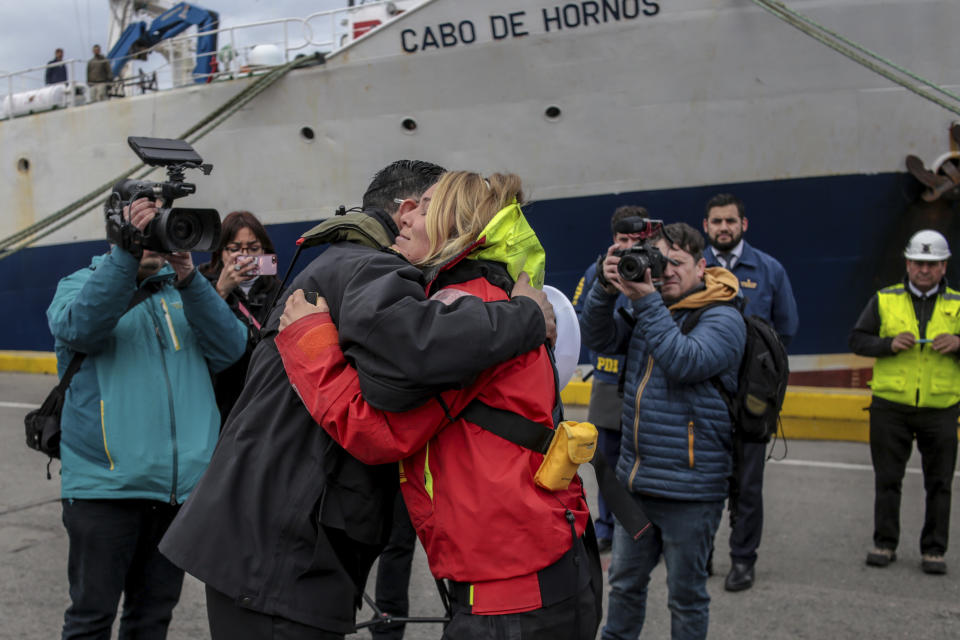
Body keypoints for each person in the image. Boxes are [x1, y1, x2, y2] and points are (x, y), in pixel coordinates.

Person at [159, 160, 555, 639]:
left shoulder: (343, 264)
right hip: (286, 548)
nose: (418, 218)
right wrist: (527, 318)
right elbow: (407, 366)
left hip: (265, 537)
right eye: (426, 205)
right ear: (404, 210)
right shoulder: (372, 266)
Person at [276, 171, 598, 640]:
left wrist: (311, 343)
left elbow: (378, 430)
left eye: (425, 206)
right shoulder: (494, 301)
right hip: (536, 578)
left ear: (457, 225)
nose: (406, 213)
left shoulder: (461, 312)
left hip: (510, 603)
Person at [46, 197, 247, 639]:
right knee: (90, 619)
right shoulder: (78, 284)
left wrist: (191, 279)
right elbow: (82, 327)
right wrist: (126, 258)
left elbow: (231, 349)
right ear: (120, 231)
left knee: (152, 620)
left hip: (176, 495)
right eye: (147, 224)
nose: (158, 233)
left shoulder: (184, 293)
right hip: (104, 490)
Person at [579, 221, 746, 640]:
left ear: (702, 266)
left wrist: (648, 301)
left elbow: (684, 361)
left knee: (686, 597)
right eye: (659, 260)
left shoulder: (724, 317)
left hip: (691, 492)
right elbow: (597, 336)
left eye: (677, 262)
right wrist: (604, 284)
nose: (666, 270)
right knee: (625, 587)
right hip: (638, 485)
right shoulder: (650, 309)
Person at [701, 192, 799, 592]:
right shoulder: (693, 267)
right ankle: (699, 555)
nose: (724, 227)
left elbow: (786, 330)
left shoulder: (769, 270)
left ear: (744, 225)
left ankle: (743, 560)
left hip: (750, 400)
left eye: (731, 221)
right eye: (716, 221)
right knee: (704, 482)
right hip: (704, 395)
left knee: (748, 485)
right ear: (705, 227)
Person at [849, 229, 960, 575]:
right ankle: (884, 543)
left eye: (931, 264)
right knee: (888, 479)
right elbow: (857, 339)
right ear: (907, 263)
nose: (923, 270)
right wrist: (888, 345)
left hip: (940, 406)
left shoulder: (958, 303)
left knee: (940, 482)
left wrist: (959, 343)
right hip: (890, 405)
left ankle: (934, 550)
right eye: (917, 262)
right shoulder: (884, 299)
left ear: (944, 267)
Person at [571, 205, 648, 552]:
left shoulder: (655, 270)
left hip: (645, 383)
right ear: (613, 239)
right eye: (623, 238)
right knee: (607, 461)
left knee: (644, 460)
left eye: (636, 238)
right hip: (607, 381)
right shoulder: (598, 271)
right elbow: (578, 317)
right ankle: (605, 526)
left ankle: (642, 527)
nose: (630, 244)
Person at [197, 210, 282, 426]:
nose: (245, 256)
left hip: (268, 398)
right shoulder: (201, 289)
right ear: (220, 252)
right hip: (222, 401)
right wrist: (221, 291)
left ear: (265, 250)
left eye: (253, 249)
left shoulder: (280, 291)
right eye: (235, 249)